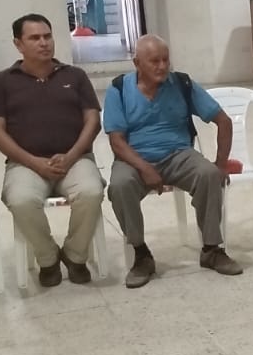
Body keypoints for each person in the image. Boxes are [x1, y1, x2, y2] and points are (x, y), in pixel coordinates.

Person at [103, 34, 242, 289]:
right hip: (134, 158)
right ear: (137, 63)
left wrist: (221, 164)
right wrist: (144, 168)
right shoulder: (119, 89)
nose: (162, 66)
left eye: (165, 60)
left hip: (178, 154)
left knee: (209, 174)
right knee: (120, 186)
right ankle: (141, 255)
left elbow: (223, 121)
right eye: (154, 61)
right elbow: (117, 141)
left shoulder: (182, 84)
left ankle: (212, 249)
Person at [0, 13, 104, 288]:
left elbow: (93, 120)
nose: (44, 43)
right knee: (20, 200)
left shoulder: (75, 76)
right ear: (18, 44)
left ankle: (74, 255)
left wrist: (71, 156)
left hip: (75, 159)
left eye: (47, 36)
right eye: (34, 38)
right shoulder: (2, 82)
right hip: (25, 164)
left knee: (91, 192)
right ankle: (48, 259)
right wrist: (34, 162)